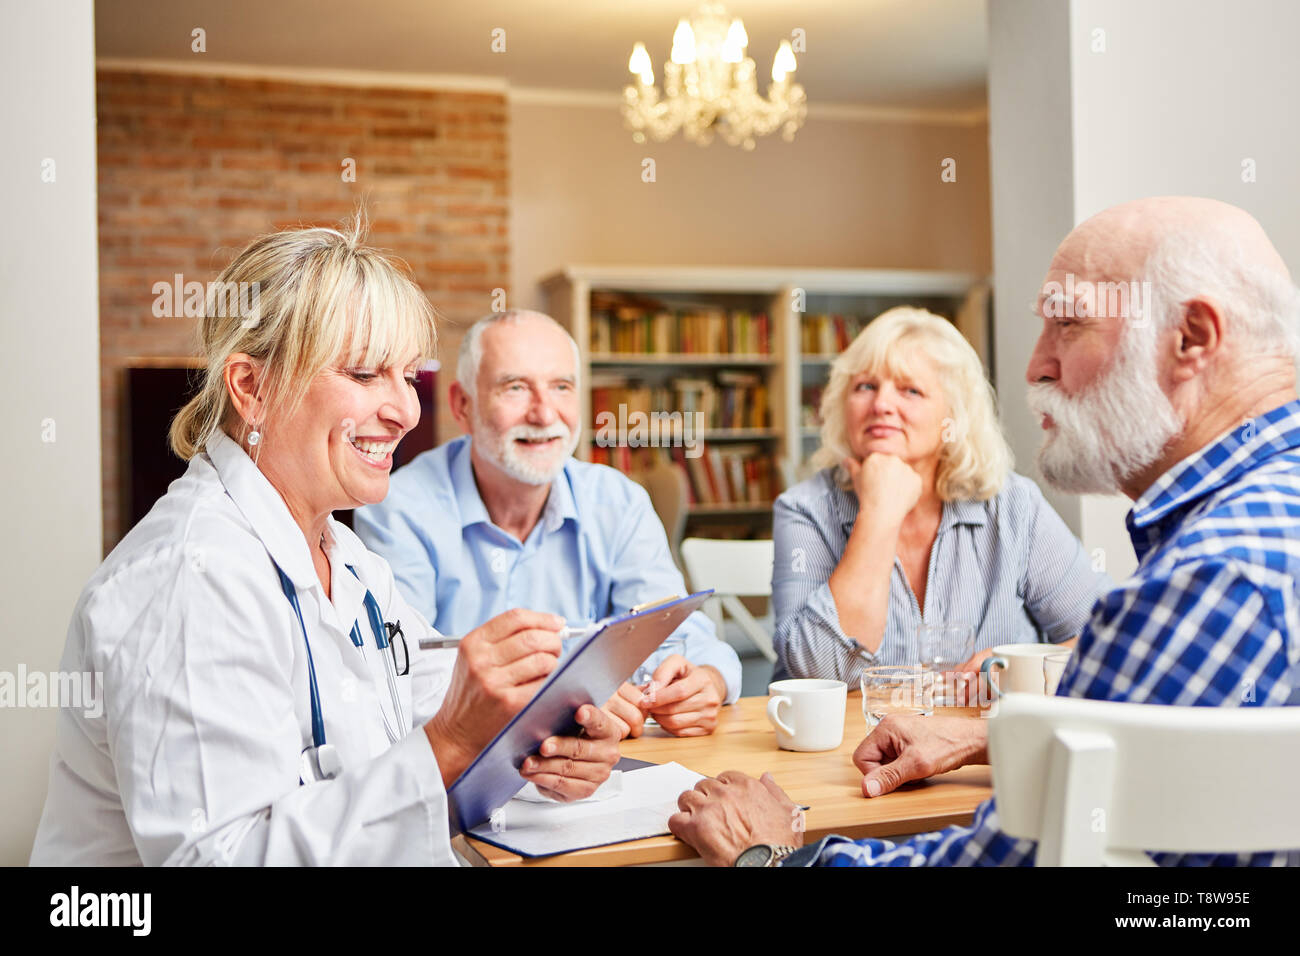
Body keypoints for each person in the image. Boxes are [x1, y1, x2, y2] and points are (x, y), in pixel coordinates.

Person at [669, 196, 1300, 866]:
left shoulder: (1209, 579)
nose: (1034, 366)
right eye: (865, 386)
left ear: (1192, 337)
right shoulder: (1247, 534)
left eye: (1068, 323)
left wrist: (779, 858)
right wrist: (989, 737)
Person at [30, 222, 619, 866]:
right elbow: (222, 860)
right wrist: (449, 742)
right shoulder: (189, 578)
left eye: (408, 375)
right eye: (365, 374)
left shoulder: (351, 562)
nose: (407, 411)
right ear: (252, 388)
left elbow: (438, 710)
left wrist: (545, 742)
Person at [354, 310, 743, 740]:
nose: (543, 414)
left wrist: (706, 680)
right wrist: (564, 699)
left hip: (606, 773)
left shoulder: (619, 501)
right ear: (463, 405)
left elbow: (678, 636)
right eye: (515, 387)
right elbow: (402, 673)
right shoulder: (399, 507)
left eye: (561, 387)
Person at [773, 306, 1108, 684]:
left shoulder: (1014, 506)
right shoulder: (805, 509)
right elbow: (820, 671)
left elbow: (1109, 636)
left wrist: (1024, 667)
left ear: (955, 415)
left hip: (986, 738)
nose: (881, 404)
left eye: (910, 390)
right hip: (853, 742)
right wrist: (879, 513)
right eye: (865, 386)